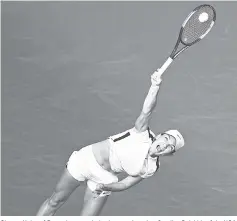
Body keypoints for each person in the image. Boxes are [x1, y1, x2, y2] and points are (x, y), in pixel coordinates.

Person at [36, 69, 185, 216]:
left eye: (170, 147)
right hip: (86, 160)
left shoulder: (151, 168)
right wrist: (155, 86)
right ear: (159, 136)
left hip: (105, 179)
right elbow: (148, 110)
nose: (165, 145)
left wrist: (107, 186)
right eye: (166, 138)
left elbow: (125, 184)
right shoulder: (142, 133)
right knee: (55, 201)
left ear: (169, 154)